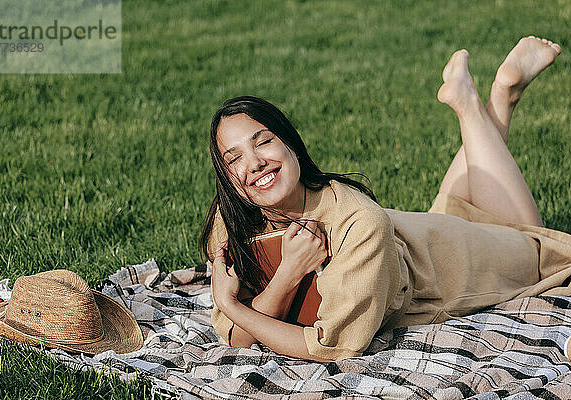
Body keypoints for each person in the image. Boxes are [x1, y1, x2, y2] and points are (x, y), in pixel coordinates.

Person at [201, 36, 568, 362]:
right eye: (233, 158)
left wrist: (232, 304)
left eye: (263, 141)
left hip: (452, 267)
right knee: (457, 214)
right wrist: (286, 276)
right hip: (416, 234)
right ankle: (489, 99)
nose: (254, 164)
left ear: (291, 144)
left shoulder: (358, 221)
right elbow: (238, 336)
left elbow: (333, 347)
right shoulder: (231, 223)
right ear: (227, 178)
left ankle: (486, 99)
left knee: (536, 248)